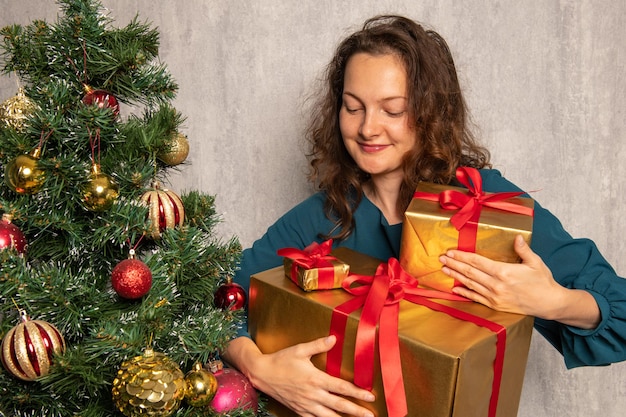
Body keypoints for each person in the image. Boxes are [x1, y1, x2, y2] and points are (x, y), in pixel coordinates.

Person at [221, 15, 626, 417]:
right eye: (352, 107)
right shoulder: (323, 216)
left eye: (392, 110)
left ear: (431, 112)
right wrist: (260, 369)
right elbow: (216, 301)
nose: (367, 128)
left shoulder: (484, 207)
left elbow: (620, 313)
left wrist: (554, 301)